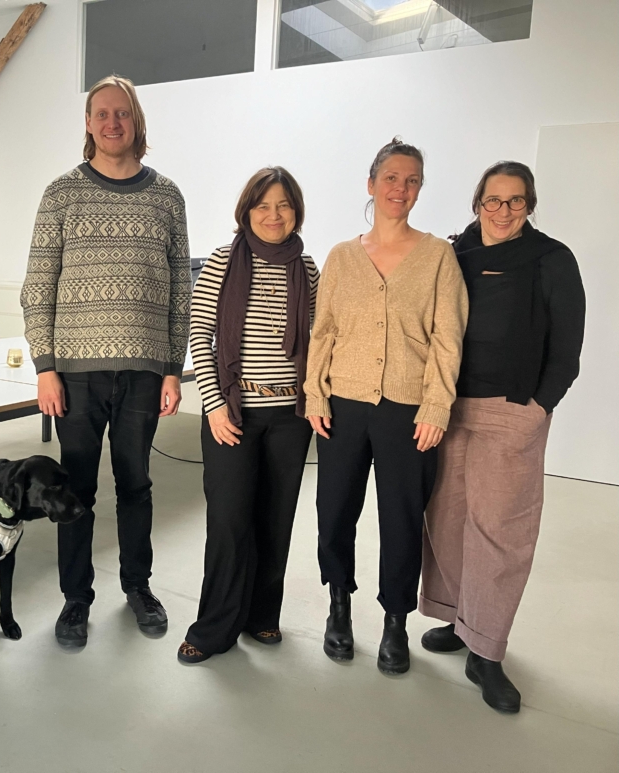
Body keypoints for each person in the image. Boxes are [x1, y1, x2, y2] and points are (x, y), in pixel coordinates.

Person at [20, 75, 191, 647]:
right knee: (77, 490)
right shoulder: (61, 194)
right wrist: (46, 366)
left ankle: (137, 585)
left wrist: (173, 367)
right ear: (89, 124)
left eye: (122, 113)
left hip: (143, 371)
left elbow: (179, 292)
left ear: (136, 122)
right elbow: (38, 286)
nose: (112, 123)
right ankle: (75, 598)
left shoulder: (167, 196)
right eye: (102, 114)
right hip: (76, 372)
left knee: (136, 484)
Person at [419, 162, 585, 713]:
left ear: (530, 205)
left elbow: (566, 349)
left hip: (511, 410)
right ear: (477, 203)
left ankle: (486, 651)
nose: (504, 210)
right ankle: (458, 620)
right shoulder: (454, 256)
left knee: (500, 532)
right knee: (446, 519)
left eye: (515, 201)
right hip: (448, 408)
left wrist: (537, 409)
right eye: (493, 200)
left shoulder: (551, 260)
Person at [303, 138, 468, 676]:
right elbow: (322, 332)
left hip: (409, 409)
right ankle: (339, 608)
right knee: (335, 512)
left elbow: (449, 338)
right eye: (392, 178)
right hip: (344, 406)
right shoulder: (341, 257)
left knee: (401, 519)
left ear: (420, 190)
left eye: (412, 179)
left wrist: (436, 407)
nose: (401, 188)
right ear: (371, 184)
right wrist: (314, 395)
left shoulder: (440, 255)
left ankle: (395, 622)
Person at [177, 168, 319, 664]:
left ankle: (262, 614)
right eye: (263, 205)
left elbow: (318, 345)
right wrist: (214, 406)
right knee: (229, 521)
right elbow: (200, 337)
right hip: (232, 412)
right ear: (247, 211)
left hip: (290, 415)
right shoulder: (222, 262)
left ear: (296, 210)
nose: (273, 215)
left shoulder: (308, 270)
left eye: (283, 205)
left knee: (275, 518)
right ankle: (214, 625)